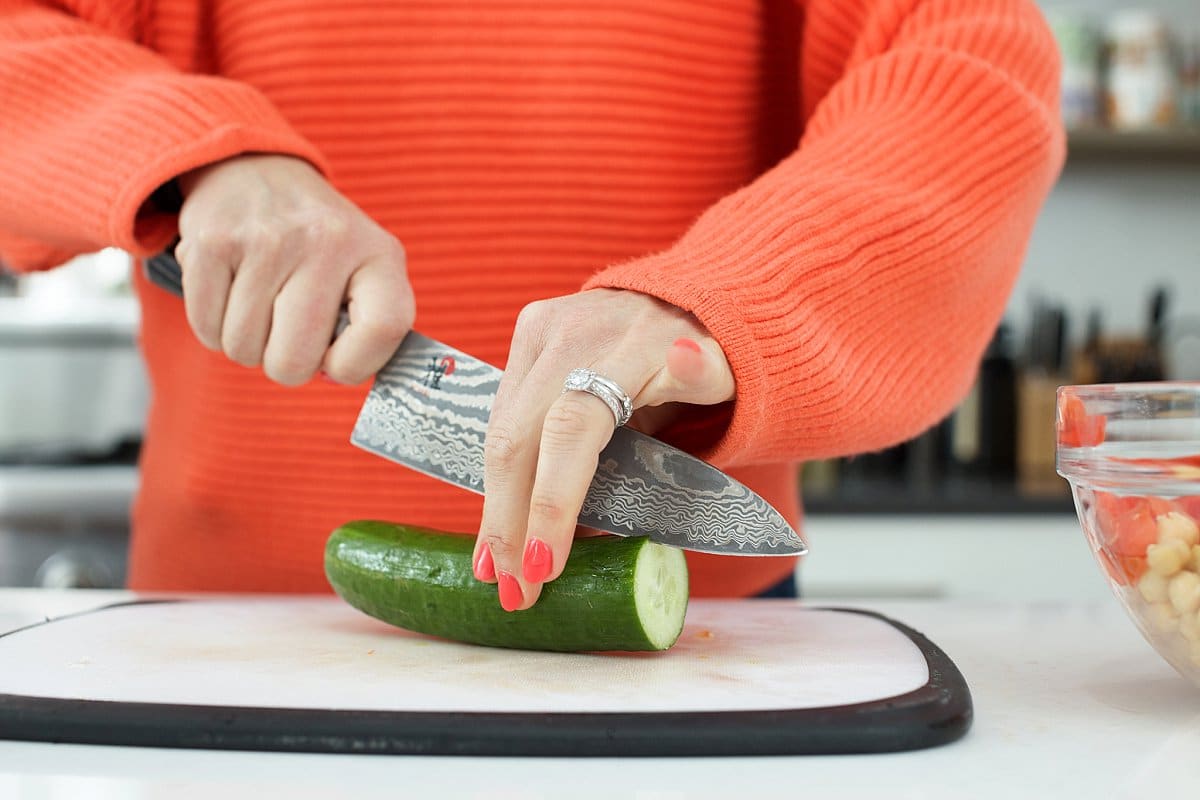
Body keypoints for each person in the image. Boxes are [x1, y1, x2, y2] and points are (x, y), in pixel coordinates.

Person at [0, 0, 1064, 610]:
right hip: (230, 635)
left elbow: (967, 69)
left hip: (692, 650)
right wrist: (189, 153)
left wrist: (723, 298)